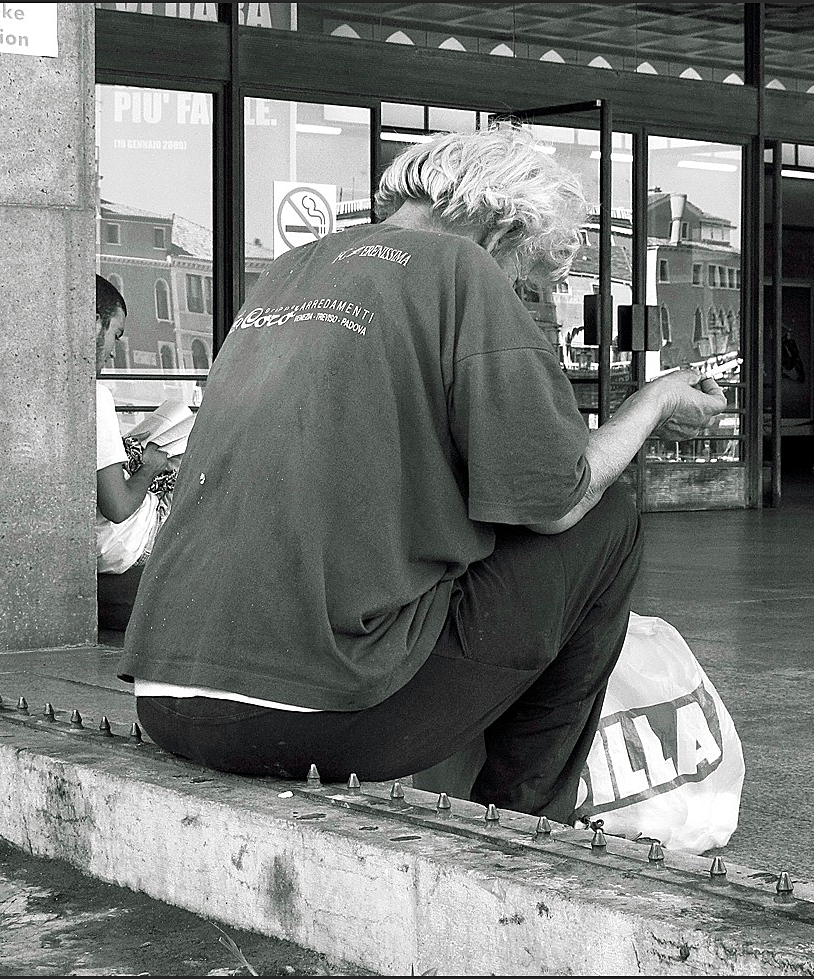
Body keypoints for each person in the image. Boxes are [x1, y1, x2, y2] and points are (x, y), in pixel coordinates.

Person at [115, 125, 727, 824]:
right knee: (606, 520)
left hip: (167, 699)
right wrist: (649, 404)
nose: (521, 297)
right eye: (525, 279)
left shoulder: (290, 269)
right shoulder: (459, 269)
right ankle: (526, 819)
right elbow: (556, 497)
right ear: (503, 228)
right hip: (316, 719)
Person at [94, 274, 176, 629]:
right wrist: (150, 468)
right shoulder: (94, 397)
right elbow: (118, 506)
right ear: (94, 323)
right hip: (135, 540)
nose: (114, 350)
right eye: (116, 334)